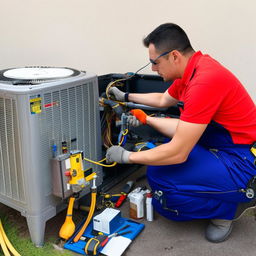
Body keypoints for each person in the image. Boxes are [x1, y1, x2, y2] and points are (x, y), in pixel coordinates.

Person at [106, 23, 256, 243]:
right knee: (162, 159)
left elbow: (178, 153)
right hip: (219, 145)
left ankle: (229, 208)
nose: (153, 69)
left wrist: (127, 157)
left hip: (242, 161)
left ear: (174, 56)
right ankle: (223, 195)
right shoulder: (192, 71)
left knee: (163, 190)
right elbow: (164, 101)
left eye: (155, 62)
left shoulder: (205, 81)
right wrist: (127, 98)